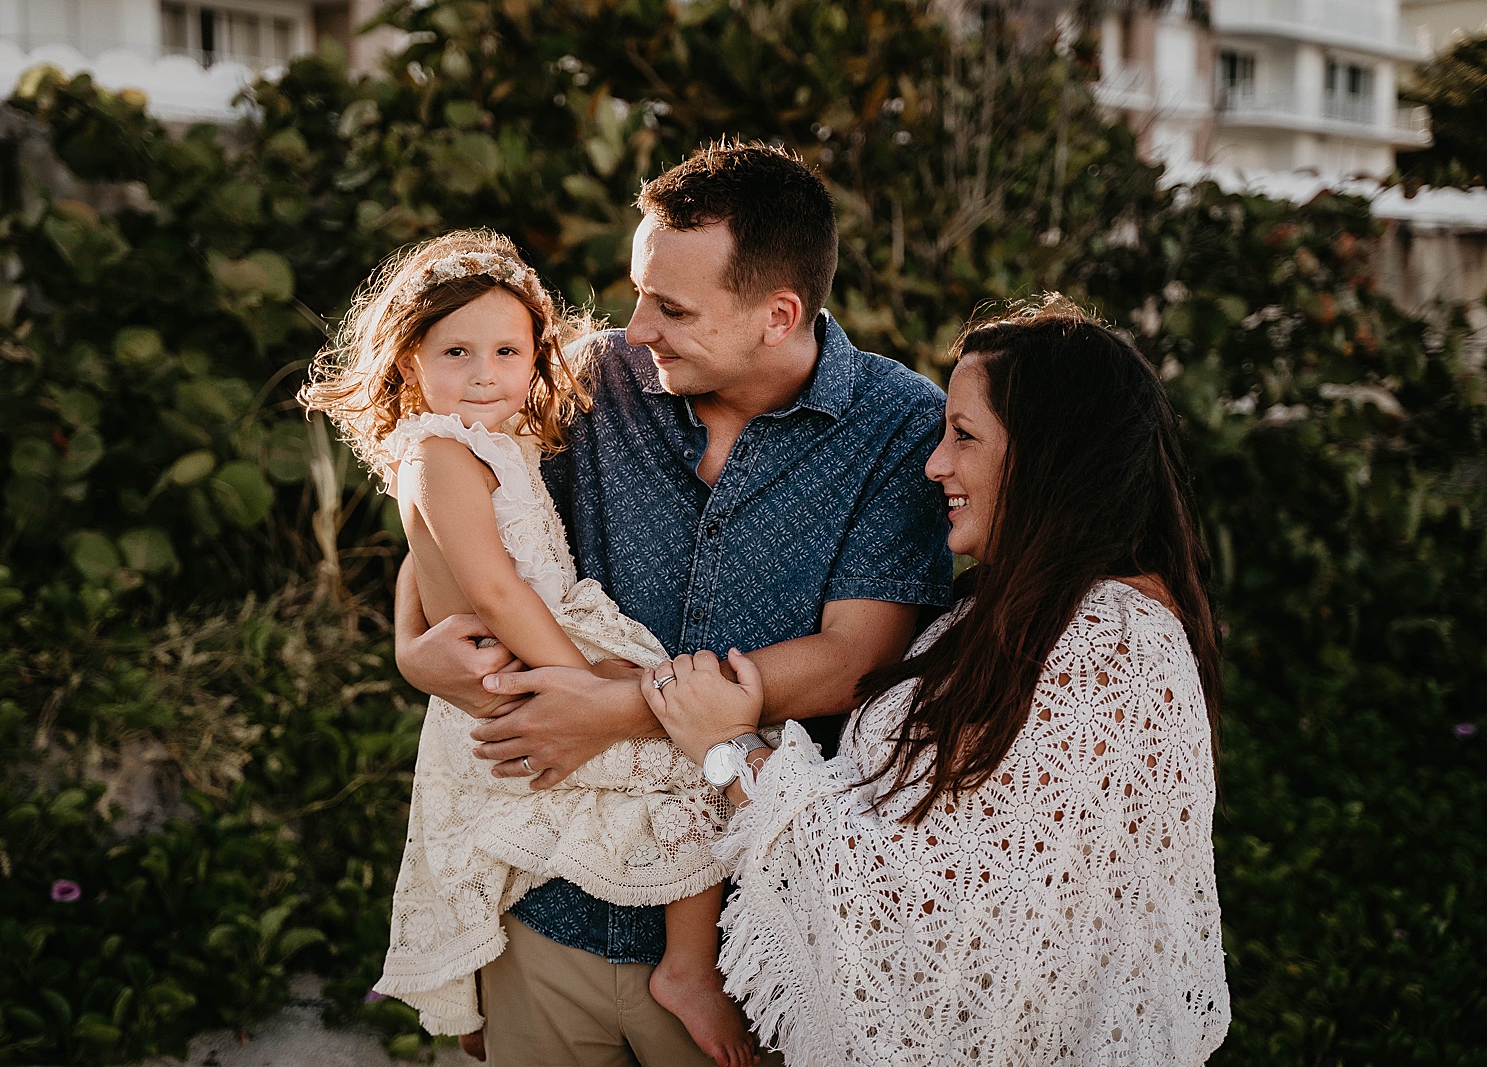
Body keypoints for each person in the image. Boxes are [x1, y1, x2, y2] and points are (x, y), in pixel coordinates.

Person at [392, 141, 953, 1066]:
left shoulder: (898, 425)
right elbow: (461, 513)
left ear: (778, 314)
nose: (636, 326)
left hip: (741, 948)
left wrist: (613, 707)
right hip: (551, 902)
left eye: (673, 307)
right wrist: (412, 647)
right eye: (639, 290)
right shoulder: (591, 378)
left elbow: (854, 659)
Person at [644, 299, 1233, 1066]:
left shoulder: (1109, 650)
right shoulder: (1031, 614)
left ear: (1048, 456)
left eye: (964, 436)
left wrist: (730, 752)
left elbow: (918, 913)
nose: (935, 465)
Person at [298, 229, 763, 1067]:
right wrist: (578, 681)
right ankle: (686, 971)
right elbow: (497, 589)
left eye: (507, 351)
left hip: (537, 635)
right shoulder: (440, 451)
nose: (485, 373)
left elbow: (423, 563)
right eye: (457, 352)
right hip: (525, 653)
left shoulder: (488, 441)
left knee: (678, 751)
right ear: (410, 365)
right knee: (685, 760)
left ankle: (671, 967)